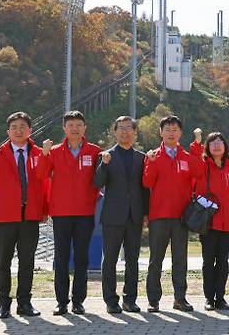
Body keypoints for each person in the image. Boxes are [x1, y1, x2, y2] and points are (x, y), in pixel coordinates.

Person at [0, 111, 46, 319]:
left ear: (30, 130)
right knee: (3, 261)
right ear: (8, 131)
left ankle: (24, 302)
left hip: (30, 215)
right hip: (4, 216)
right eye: (14, 127)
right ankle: (3, 303)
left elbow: (44, 180)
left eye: (22, 127)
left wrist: (44, 210)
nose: (18, 131)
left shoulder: (37, 153)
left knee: (27, 261)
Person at [36, 110, 102, 316]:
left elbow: (100, 180)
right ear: (64, 128)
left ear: (85, 128)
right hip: (62, 213)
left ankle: (78, 301)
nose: (74, 129)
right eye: (70, 125)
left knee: (82, 259)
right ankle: (61, 302)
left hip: (85, 213)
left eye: (78, 125)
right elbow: (40, 174)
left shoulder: (95, 151)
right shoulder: (54, 151)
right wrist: (44, 154)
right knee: (62, 258)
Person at [93, 116, 149, 314]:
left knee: (133, 260)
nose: (125, 132)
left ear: (134, 132)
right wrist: (104, 164)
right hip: (112, 216)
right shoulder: (106, 155)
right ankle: (110, 300)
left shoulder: (142, 157)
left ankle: (130, 299)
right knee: (110, 259)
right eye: (120, 128)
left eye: (128, 128)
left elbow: (145, 189)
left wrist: (146, 213)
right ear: (114, 132)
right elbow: (97, 182)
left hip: (135, 215)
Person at [143, 115, 199, 312]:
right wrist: (149, 162)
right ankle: (153, 300)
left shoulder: (186, 157)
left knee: (180, 260)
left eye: (175, 129)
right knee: (155, 260)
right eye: (167, 129)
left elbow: (199, 176)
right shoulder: (153, 156)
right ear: (161, 132)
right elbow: (147, 183)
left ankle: (180, 299)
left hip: (181, 217)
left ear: (180, 133)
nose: (171, 132)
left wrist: (197, 149)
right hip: (159, 216)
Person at [194, 132, 229, 311]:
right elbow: (196, 191)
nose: (216, 145)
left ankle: (220, 297)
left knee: (223, 262)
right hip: (208, 222)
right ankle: (208, 298)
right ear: (207, 148)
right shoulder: (202, 167)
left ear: (225, 146)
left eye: (220, 141)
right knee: (208, 261)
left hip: (228, 223)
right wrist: (197, 142)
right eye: (212, 142)